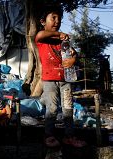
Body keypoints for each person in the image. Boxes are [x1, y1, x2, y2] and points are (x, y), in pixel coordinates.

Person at [35, 5, 86, 148]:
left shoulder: (63, 42)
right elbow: (40, 35)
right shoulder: (43, 39)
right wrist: (59, 34)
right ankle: (49, 136)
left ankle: (69, 136)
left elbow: (74, 54)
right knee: (52, 108)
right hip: (49, 80)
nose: (57, 21)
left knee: (68, 108)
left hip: (66, 80)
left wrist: (73, 60)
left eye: (59, 18)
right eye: (53, 17)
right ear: (43, 21)